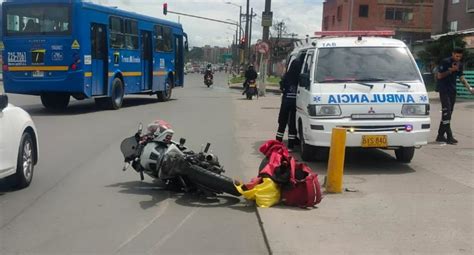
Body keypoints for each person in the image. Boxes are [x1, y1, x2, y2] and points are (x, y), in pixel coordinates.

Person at [436, 48, 474, 144]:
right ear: (453, 54)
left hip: (452, 90)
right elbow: (439, 76)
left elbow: (461, 77)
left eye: (460, 57)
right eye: (457, 56)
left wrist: (469, 88)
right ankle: (449, 136)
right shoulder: (445, 62)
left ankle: (440, 135)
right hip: (444, 90)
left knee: (448, 114)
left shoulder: (459, 64)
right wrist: (451, 70)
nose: (458, 58)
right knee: (446, 113)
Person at [276, 54, 304, 149]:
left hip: (286, 101)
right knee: (292, 123)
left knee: (282, 122)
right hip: (295, 103)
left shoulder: (287, 75)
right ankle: (291, 146)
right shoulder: (300, 77)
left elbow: (281, 86)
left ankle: (278, 143)